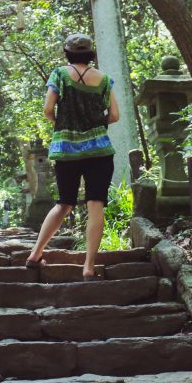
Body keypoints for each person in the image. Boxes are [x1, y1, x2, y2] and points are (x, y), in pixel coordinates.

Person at [24, 33, 119, 280]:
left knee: (64, 203)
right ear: (90, 53)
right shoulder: (105, 79)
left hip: (66, 149)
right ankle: (88, 267)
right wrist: (96, 123)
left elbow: (47, 109)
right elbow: (115, 115)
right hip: (99, 150)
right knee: (96, 203)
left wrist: (62, 125)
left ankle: (35, 255)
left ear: (67, 53)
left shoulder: (60, 75)